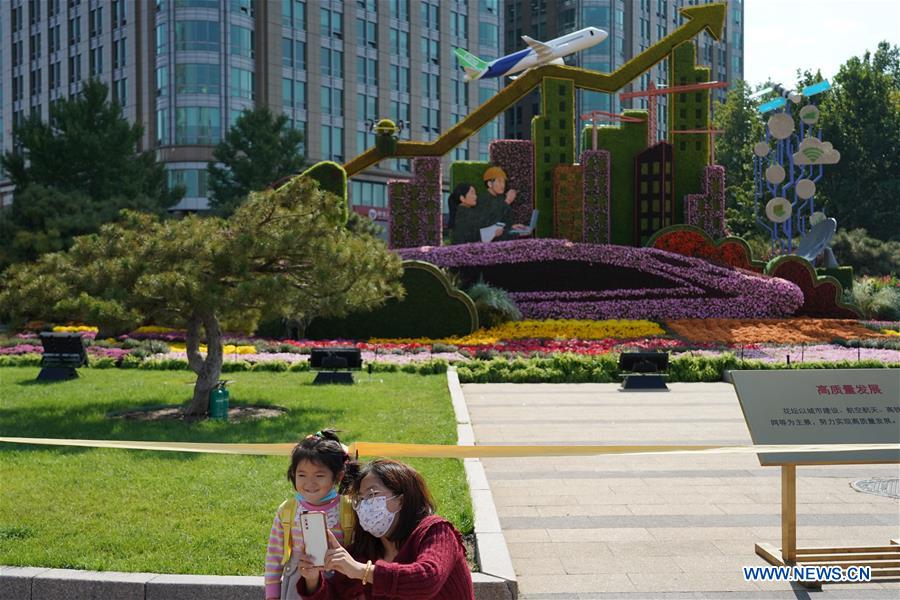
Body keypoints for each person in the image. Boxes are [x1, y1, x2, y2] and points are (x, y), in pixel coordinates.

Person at [296, 458, 475, 599]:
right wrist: (312, 580)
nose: (364, 505)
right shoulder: (363, 552)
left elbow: (427, 579)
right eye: (359, 499)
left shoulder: (437, 531)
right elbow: (334, 595)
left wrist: (361, 571)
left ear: (401, 500)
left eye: (372, 494)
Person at [265, 430, 355, 600]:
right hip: (297, 587)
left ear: (338, 476)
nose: (309, 483)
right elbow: (273, 557)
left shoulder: (348, 509)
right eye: (302, 475)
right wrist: (272, 595)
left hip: (340, 586)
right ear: (293, 474)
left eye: (319, 475)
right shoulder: (288, 511)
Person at [479, 166, 528, 240]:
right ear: (490, 184)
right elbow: (491, 222)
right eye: (499, 181)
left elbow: (501, 222)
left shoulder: (499, 198)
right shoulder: (483, 200)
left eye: (504, 182)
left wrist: (512, 226)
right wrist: (507, 201)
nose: (503, 185)